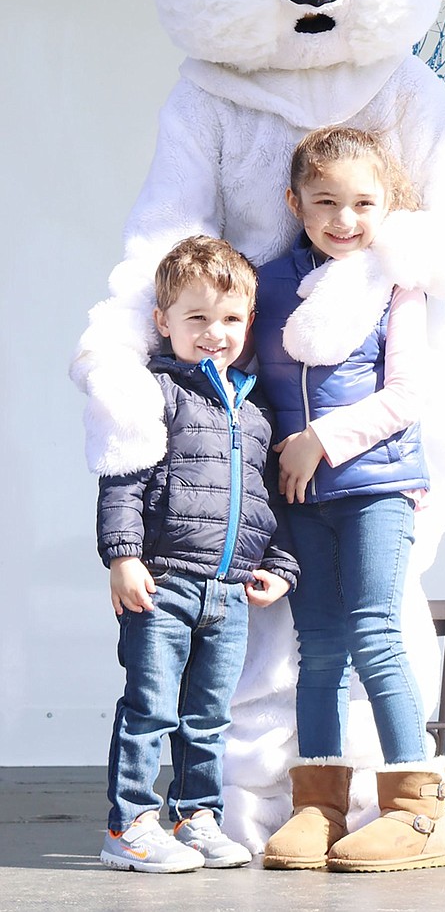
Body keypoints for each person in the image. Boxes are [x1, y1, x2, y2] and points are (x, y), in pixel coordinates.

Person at [252, 126, 445, 874]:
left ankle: (416, 811)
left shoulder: (396, 281)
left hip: (375, 487)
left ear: (387, 204)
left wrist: (321, 439)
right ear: (294, 203)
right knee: (320, 649)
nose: (344, 218)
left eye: (363, 202)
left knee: (374, 633)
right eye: (325, 201)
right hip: (299, 499)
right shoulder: (267, 282)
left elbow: (407, 393)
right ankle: (321, 802)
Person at [97, 235, 299, 874]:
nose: (216, 332)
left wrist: (283, 567)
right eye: (198, 317)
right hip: (162, 583)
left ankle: (194, 817)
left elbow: (274, 501)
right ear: (164, 322)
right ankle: (128, 825)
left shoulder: (257, 407)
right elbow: (121, 476)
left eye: (232, 318)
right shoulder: (156, 391)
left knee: (208, 717)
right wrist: (124, 555)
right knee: (150, 708)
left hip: (231, 592)